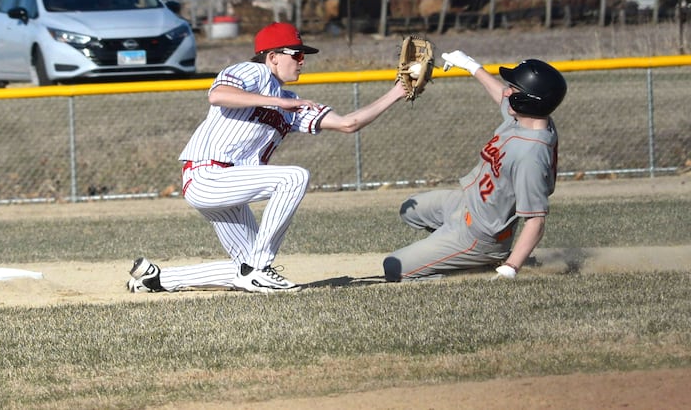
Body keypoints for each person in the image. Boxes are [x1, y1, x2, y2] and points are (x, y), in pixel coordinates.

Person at [128, 22, 410, 294]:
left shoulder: (291, 102)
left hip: (232, 187)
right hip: (207, 174)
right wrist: (279, 101)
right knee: (294, 177)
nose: (302, 61)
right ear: (273, 57)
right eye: (297, 54)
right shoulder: (256, 73)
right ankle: (261, 269)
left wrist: (398, 91)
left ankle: (157, 279)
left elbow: (349, 123)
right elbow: (218, 94)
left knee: (242, 269)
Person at [382, 50, 567, 282]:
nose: (507, 91)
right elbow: (500, 95)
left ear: (529, 100)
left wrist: (511, 268)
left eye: (514, 89)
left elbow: (536, 221)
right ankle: (447, 248)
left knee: (393, 268)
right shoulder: (524, 119)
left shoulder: (531, 155)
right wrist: (471, 66)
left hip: (481, 235)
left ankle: (475, 264)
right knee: (410, 209)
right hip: (466, 204)